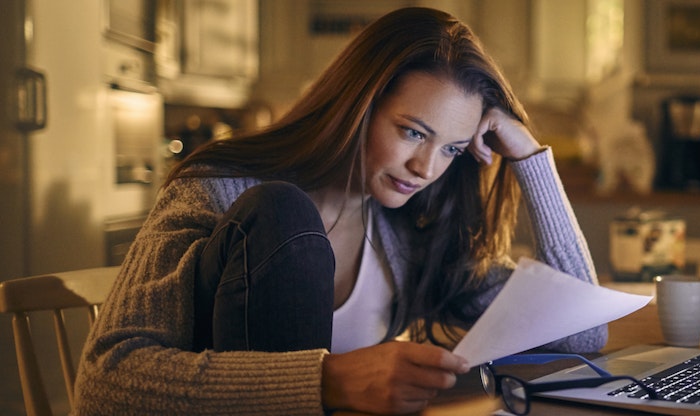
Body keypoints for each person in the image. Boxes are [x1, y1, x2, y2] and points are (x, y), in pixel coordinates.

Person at [73, 6, 606, 415]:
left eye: (450, 148)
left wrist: (532, 161)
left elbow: (582, 334)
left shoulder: (411, 230)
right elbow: (103, 384)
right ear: (359, 105)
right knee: (284, 212)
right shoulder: (219, 189)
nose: (425, 167)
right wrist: (327, 380)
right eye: (412, 132)